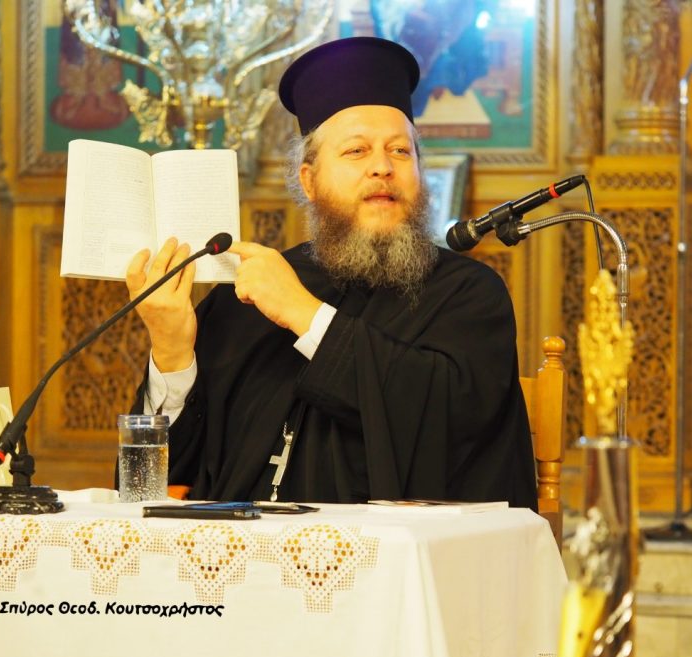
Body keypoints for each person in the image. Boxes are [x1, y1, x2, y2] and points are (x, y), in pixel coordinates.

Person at [125, 36, 537, 509]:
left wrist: (305, 315)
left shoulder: (468, 295)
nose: (382, 167)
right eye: (357, 151)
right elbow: (153, 484)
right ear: (310, 180)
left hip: (387, 553)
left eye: (401, 151)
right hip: (237, 551)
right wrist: (172, 354)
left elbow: (450, 422)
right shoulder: (243, 298)